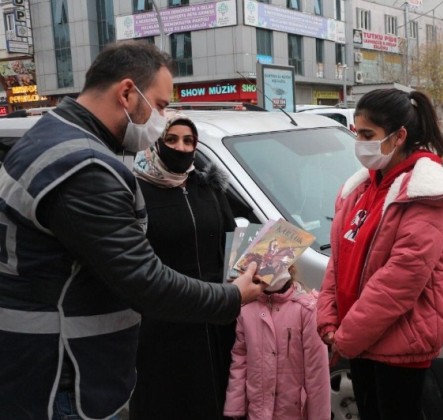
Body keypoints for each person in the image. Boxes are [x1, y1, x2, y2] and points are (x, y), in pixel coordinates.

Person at [0, 40, 262, 420]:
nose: (162, 118)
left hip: (41, 361)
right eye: (158, 104)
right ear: (127, 92)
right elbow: (145, 281)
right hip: (64, 370)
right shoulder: (86, 167)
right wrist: (232, 297)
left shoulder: (47, 137)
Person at [316, 88, 443, 420]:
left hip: (399, 345)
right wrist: (328, 319)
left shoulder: (423, 197)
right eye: (357, 134)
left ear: (399, 136)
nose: (360, 144)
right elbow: (338, 261)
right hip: (359, 338)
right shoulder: (361, 189)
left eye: (368, 135)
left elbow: (398, 283)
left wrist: (346, 337)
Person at [129, 113, 237, 419]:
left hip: (215, 316)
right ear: (156, 143)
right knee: (168, 401)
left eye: (189, 141)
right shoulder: (137, 191)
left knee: (216, 398)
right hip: (163, 322)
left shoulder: (207, 188)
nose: (181, 147)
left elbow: (231, 241)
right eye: (172, 139)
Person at [224, 268, 330, 420]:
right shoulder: (246, 309)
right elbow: (240, 360)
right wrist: (235, 408)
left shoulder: (306, 310)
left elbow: (317, 372)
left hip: (293, 413)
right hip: (258, 412)